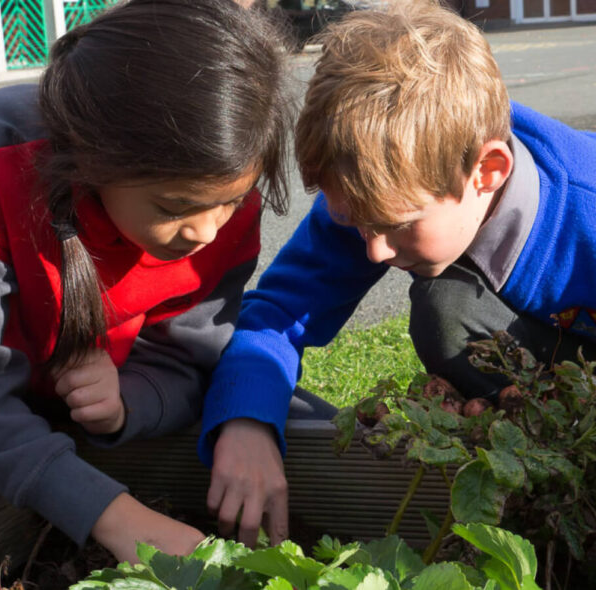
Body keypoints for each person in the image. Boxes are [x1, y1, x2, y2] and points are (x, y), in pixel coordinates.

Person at [198, 0, 596, 549]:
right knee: (446, 308)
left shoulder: (586, 211)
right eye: (354, 224)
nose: (376, 250)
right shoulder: (375, 189)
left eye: (395, 226)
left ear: (488, 171)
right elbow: (280, 312)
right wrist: (246, 421)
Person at [0, 0, 297, 563]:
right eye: (173, 206)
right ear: (92, 159)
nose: (206, 232)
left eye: (230, 202)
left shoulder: (223, 210)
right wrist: (119, 520)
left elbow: (187, 357)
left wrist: (126, 403)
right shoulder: (4, 160)